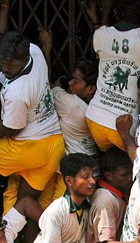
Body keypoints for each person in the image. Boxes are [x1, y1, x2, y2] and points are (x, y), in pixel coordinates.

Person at [0, 11, 65, 215]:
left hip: (28, 147)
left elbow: (11, 129)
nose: (5, 67)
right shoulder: (35, 52)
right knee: (23, 209)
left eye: (11, 64)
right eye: (2, 62)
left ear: (24, 57)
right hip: (54, 145)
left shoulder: (18, 92)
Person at [84, 0, 140, 151]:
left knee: (110, 165)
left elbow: (101, 33)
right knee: (129, 166)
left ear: (115, 13)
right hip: (126, 124)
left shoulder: (101, 34)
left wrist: (106, 10)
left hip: (95, 118)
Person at [38, 28, 101, 157]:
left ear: (90, 88)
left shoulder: (72, 105)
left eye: (76, 81)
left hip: (74, 170)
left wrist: (47, 48)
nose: (70, 83)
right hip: (92, 166)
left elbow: (45, 85)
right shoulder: (99, 105)